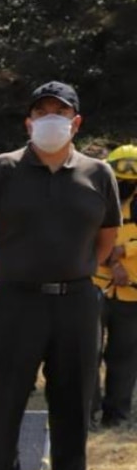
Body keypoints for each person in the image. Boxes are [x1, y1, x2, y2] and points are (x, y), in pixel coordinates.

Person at [0, 81, 120, 470]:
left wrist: (80, 271)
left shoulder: (99, 174)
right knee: (5, 400)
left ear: (76, 122)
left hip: (76, 302)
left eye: (60, 111)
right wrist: (9, 277)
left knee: (74, 405)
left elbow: (106, 238)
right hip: (14, 301)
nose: (50, 117)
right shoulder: (2, 169)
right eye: (42, 110)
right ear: (29, 121)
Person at [90, 145, 137, 428]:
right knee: (87, 353)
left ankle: (117, 415)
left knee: (125, 356)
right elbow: (82, 234)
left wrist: (125, 251)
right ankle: (88, 413)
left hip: (131, 294)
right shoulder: (93, 198)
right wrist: (112, 260)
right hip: (94, 286)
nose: (124, 187)